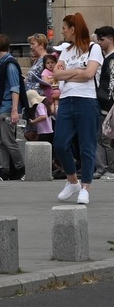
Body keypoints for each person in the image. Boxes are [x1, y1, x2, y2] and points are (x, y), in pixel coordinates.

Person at [52, 13, 104, 202]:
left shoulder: (94, 48)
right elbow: (56, 74)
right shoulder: (65, 50)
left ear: (73, 29)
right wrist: (76, 72)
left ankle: (85, 187)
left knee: (86, 146)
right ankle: (72, 181)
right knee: (60, 143)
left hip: (86, 100)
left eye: (64, 28)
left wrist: (68, 73)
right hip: (66, 100)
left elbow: (89, 73)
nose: (62, 31)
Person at [0, 32, 26, 181]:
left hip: (6, 107)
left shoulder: (9, 64)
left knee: (8, 140)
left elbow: (15, 87)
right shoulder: (2, 63)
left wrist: (14, 110)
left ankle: (20, 168)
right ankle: (3, 169)